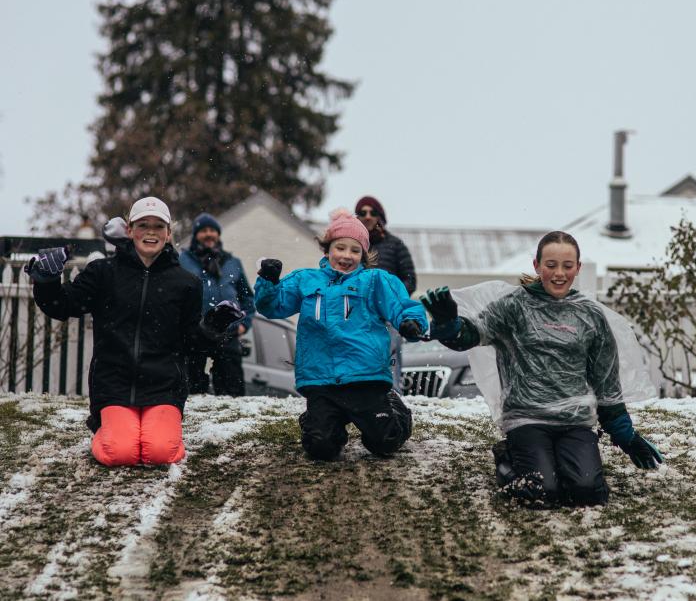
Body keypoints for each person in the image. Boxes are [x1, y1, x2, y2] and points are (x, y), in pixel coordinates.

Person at [422, 231, 664, 507]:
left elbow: (606, 383)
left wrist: (626, 436)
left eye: (567, 266)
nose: (559, 273)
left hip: (575, 421)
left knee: (587, 493)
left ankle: (560, 463)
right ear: (536, 266)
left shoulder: (590, 315)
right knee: (540, 491)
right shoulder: (513, 307)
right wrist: (449, 324)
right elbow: (472, 335)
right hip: (527, 419)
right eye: (550, 265)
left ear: (578, 268)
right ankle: (508, 458)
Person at [28, 197, 244, 466]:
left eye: (158, 226)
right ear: (129, 230)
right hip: (114, 385)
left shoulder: (186, 282)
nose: (151, 232)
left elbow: (191, 343)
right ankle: (106, 428)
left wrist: (213, 327)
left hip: (164, 387)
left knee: (159, 454)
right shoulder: (102, 273)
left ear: (168, 233)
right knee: (119, 453)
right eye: (143, 225)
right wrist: (46, 281)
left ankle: (156, 430)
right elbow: (63, 305)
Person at [254, 208, 428, 461]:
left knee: (385, 442)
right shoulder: (305, 280)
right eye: (340, 248)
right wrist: (268, 281)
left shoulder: (375, 281)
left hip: (364, 379)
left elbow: (401, 305)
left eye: (355, 250)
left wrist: (411, 322)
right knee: (320, 448)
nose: (347, 256)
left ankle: (393, 407)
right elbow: (272, 306)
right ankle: (318, 421)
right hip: (321, 381)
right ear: (327, 250)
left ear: (363, 255)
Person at [179, 213, 256, 397]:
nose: (209, 234)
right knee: (192, 393)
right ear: (196, 235)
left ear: (218, 235)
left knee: (233, 394)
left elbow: (248, 299)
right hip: (193, 337)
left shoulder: (232, 263)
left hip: (228, 336)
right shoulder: (183, 261)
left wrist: (243, 326)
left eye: (213, 230)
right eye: (203, 230)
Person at [355, 196, 417, 393]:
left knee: (389, 358)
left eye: (372, 212)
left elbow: (410, 280)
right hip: (357, 314)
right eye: (362, 212)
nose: (367, 216)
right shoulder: (352, 246)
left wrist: (389, 297)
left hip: (389, 316)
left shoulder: (395, 245)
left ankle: (393, 397)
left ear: (380, 217)